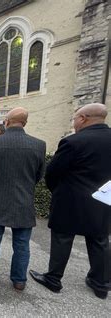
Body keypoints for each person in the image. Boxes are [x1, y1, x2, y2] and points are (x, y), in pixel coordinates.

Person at [29, 103, 111, 300]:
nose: (74, 123)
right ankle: (101, 284)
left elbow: (53, 172)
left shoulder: (74, 142)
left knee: (62, 239)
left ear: (83, 118)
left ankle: (54, 279)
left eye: (75, 119)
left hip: (71, 200)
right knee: (99, 240)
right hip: (104, 199)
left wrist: (56, 190)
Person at [0, 107, 46, 291]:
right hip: (24, 201)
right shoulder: (39, 145)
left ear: (6, 121)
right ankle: (19, 280)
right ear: (25, 123)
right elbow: (39, 175)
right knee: (22, 244)